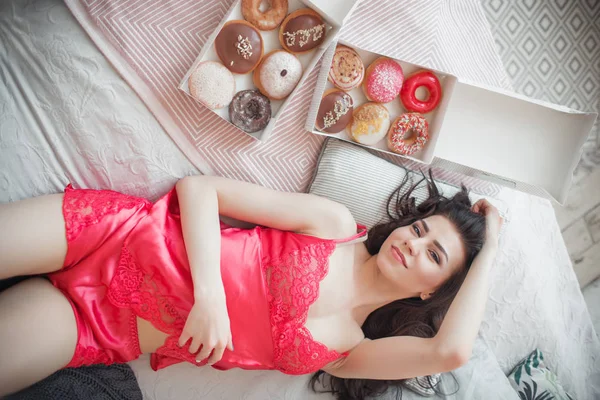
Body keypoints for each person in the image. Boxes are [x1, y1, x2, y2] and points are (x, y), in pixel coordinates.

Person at [0, 171, 501, 398]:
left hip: (99, 325)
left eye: (433, 255)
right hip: (111, 235)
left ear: (430, 293)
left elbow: (449, 352)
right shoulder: (333, 225)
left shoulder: (350, 352)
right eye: (419, 229)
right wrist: (210, 297)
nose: (413, 245)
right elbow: (199, 189)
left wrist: (492, 247)